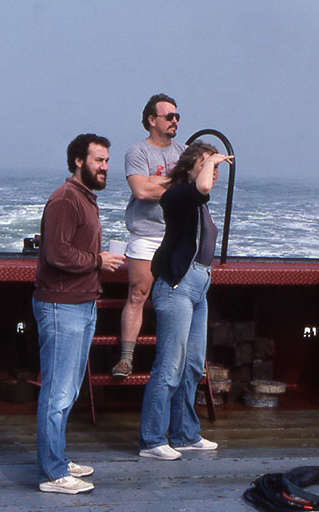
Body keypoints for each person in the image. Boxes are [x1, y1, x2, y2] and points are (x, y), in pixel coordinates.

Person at [32, 133, 125, 493]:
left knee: (67, 391)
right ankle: (52, 473)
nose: (104, 167)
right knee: (57, 392)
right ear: (78, 162)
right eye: (98, 160)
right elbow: (56, 253)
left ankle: (56, 457)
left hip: (82, 305)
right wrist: (100, 261)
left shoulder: (85, 199)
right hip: (61, 307)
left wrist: (97, 263)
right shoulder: (65, 199)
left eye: (106, 161)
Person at [138, 141, 233, 460]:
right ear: (190, 166)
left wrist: (211, 163)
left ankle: (184, 434)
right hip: (176, 285)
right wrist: (211, 162)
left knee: (192, 364)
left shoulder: (198, 203)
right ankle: (152, 439)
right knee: (170, 365)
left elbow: (204, 186)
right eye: (208, 164)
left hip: (199, 287)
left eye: (218, 167)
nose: (214, 172)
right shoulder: (178, 194)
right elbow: (202, 185)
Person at [112, 93, 187, 378]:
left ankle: (175, 359)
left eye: (177, 116)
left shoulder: (184, 151)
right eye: (169, 116)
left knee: (178, 299)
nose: (175, 121)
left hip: (178, 236)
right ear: (151, 120)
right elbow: (141, 191)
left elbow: (193, 188)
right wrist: (175, 182)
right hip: (146, 235)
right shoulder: (138, 152)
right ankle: (126, 359)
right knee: (138, 294)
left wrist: (157, 181)